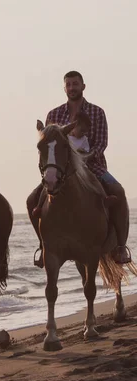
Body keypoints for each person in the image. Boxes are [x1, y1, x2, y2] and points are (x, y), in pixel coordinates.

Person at [28, 71, 131, 266]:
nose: (72, 88)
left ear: (83, 86)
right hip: (63, 170)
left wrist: (85, 158)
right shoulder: (54, 114)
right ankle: (44, 246)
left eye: (75, 84)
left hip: (93, 166)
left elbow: (101, 144)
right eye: (68, 84)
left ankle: (120, 248)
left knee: (119, 191)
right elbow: (50, 145)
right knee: (31, 200)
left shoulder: (97, 112)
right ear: (64, 88)